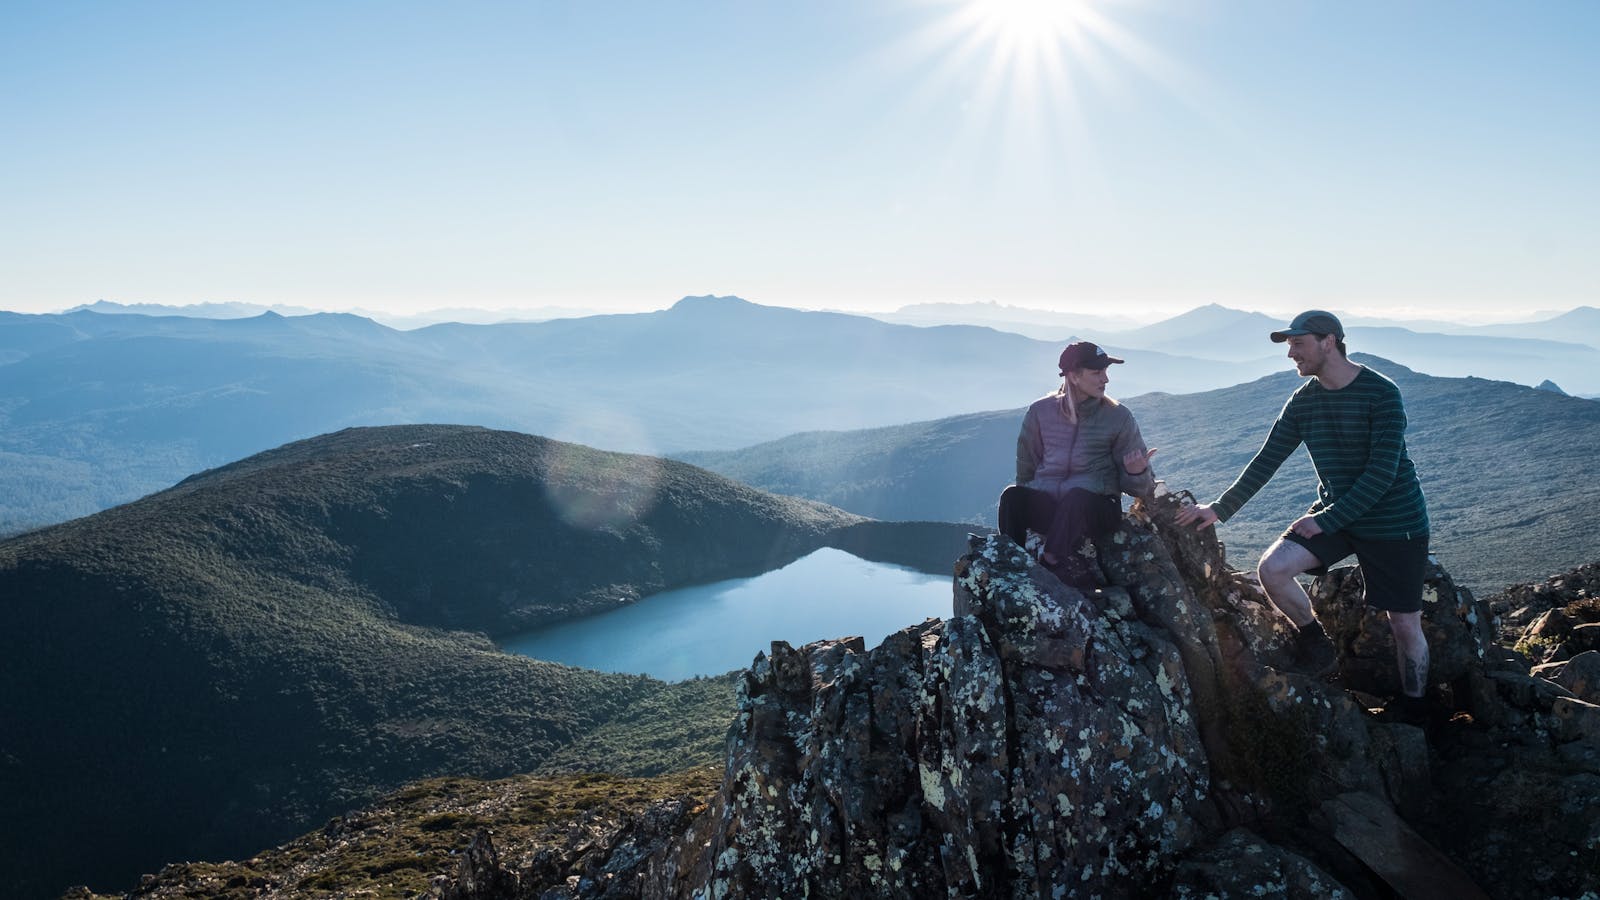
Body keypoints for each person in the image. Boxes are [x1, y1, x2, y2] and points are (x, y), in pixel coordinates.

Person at [1174, 310, 1431, 721]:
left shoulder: (1382, 394)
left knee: (1404, 624)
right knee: (1272, 569)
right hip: (1338, 515)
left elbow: (1381, 474)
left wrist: (1326, 520)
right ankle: (1316, 642)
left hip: (1393, 522)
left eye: (1298, 343)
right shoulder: (1304, 401)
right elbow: (1267, 460)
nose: (1291, 353)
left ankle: (1418, 710)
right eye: (1289, 345)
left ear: (1329, 342)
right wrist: (1220, 510)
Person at [999, 341, 1157, 590]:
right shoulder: (1040, 412)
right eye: (1097, 373)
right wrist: (1032, 496)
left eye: (1106, 372)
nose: (1105, 379)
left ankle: (1051, 562)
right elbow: (1026, 465)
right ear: (1073, 376)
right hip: (1054, 508)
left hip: (1098, 510)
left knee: (1077, 498)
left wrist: (1137, 472)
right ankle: (1010, 562)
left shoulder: (1118, 417)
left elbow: (1139, 489)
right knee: (1012, 496)